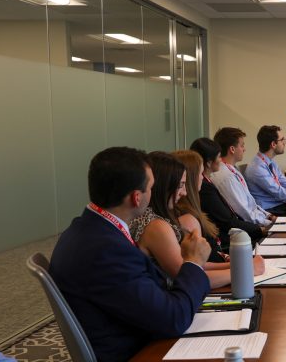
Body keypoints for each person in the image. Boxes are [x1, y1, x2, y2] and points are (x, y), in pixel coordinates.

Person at [49, 147, 211, 360]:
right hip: (138, 351)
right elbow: (173, 319)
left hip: (137, 331)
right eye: (151, 188)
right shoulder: (105, 250)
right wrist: (193, 262)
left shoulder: (85, 229)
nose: (153, 193)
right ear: (136, 197)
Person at [130, 152, 265, 289]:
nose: (184, 192)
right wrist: (246, 271)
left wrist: (241, 264)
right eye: (180, 185)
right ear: (165, 186)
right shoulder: (156, 226)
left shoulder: (158, 218)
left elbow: (193, 264)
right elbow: (189, 276)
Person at [191, 137, 266, 248]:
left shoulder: (208, 182)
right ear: (208, 162)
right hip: (228, 241)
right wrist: (259, 229)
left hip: (235, 232)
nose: (221, 160)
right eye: (218, 157)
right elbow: (228, 222)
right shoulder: (205, 188)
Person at [209, 127, 275, 229]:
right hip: (248, 228)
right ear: (232, 149)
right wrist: (269, 223)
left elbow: (251, 203)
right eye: (242, 145)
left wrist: (269, 216)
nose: (244, 149)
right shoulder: (226, 177)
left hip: (257, 221)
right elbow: (244, 213)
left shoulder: (233, 170)